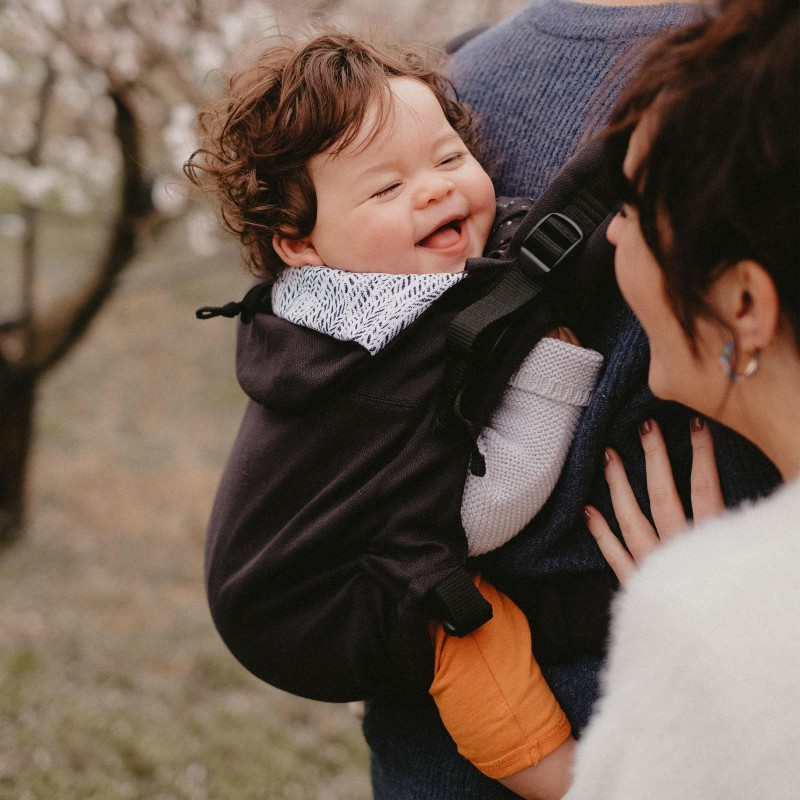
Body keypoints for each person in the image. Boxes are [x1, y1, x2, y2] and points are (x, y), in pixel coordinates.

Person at [363, 1, 781, 798]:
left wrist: (736, 602)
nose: (613, 239)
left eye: (630, 212)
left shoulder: (443, 84)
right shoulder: (757, 87)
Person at [187, 30, 610, 798]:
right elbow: (475, 513)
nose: (435, 189)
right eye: (385, 190)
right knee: (471, 630)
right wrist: (552, 368)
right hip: (314, 605)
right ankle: (559, 779)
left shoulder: (383, 283)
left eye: (449, 159)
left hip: (301, 570)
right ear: (300, 244)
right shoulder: (371, 348)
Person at [566, 0, 800, 795]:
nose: (611, 238)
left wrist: (711, 607)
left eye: (633, 210)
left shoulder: (707, 622)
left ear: (743, 304)